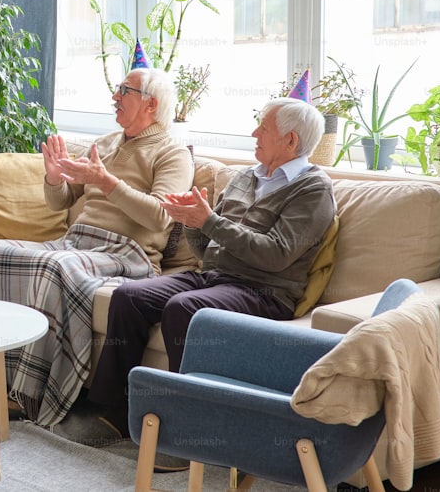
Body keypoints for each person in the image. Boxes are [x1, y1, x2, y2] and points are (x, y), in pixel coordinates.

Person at [0, 67, 194, 427]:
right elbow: (59, 202)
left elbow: (160, 218)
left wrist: (107, 181)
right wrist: (54, 178)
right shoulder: (104, 143)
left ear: (151, 104)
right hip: (75, 243)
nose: (115, 97)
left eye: (124, 90)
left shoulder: (172, 153)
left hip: (126, 255)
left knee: (54, 268)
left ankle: (24, 392)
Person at [88, 97, 336, 439]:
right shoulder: (245, 177)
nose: (254, 133)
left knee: (184, 309)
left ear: (290, 140)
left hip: (262, 291)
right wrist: (192, 221)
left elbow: (277, 254)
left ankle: (187, 430)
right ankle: (113, 411)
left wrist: (210, 221)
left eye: (263, 128)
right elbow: (206, 251)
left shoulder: (313, 188)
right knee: (129, 296)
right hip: (212, 278)